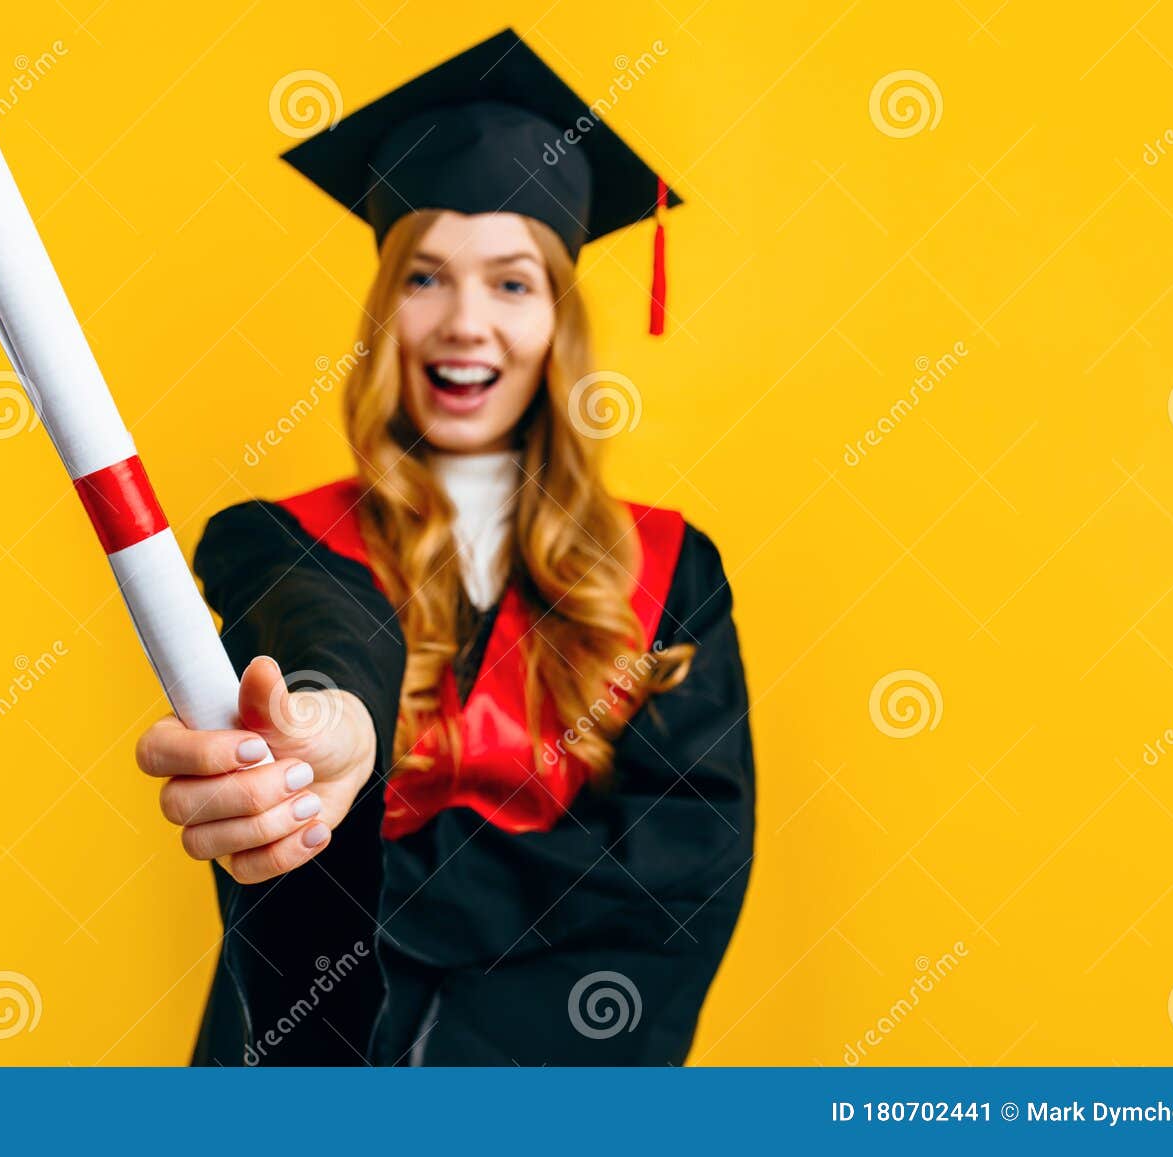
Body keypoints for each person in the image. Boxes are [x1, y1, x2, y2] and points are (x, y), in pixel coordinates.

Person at [134, 27, 755, 1066]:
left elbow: (681, 871)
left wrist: (392, 862)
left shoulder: (670, 568)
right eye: (425, 278)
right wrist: (337, 719)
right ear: (387, 310)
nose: (465, 321)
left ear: (559, 319)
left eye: (511, 283)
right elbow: (330, 636)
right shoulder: (279, 542)